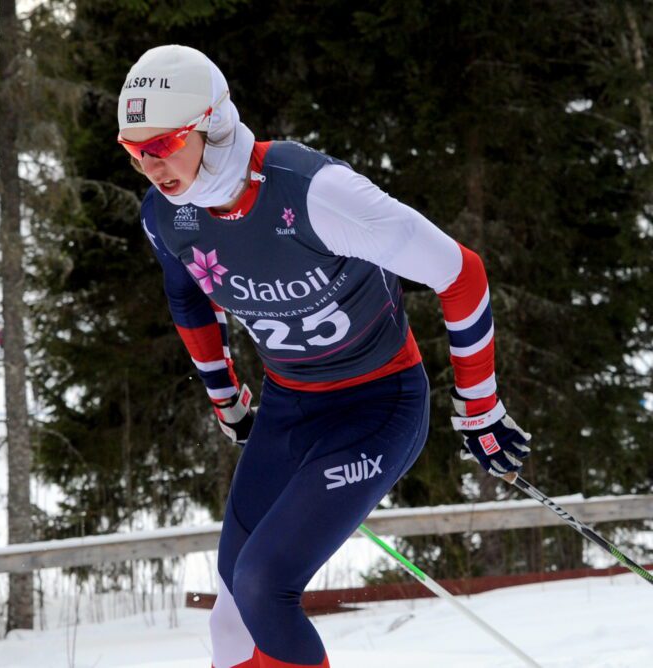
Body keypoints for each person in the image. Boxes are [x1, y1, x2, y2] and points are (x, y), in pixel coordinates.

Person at [117, 45, 532, 668]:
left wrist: (480, 405)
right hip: (290, 406)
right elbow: (186, 295)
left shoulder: (314, 194)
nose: (150, 165)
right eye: (132, 149)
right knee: (230, 620)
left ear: (213, 124)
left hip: (377, 406)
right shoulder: (167, 215)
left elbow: (460, 274)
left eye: (163, 144)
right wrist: (224, 394)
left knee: (263, 584)